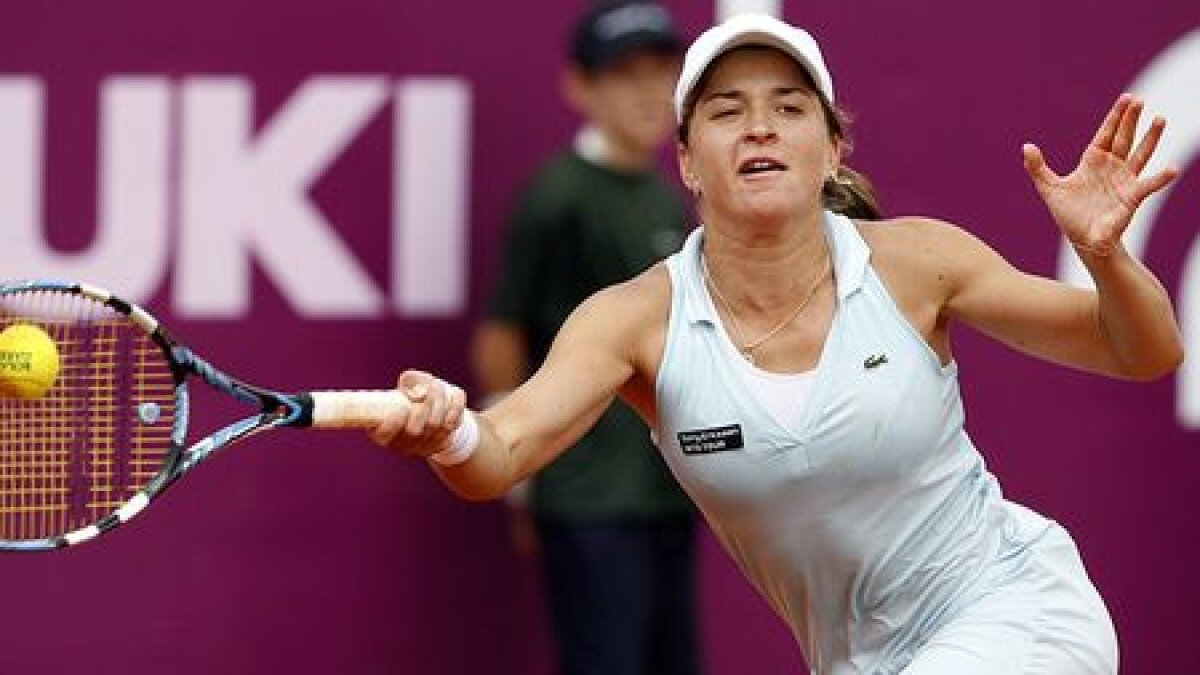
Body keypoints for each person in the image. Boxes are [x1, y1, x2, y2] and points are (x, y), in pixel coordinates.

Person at [372, 13, 1183, 675]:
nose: (759, 126)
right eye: (726, 111)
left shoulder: (919, 261)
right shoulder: (633, 319)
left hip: (1017, 607)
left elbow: (1140, 350)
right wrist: (450, 430)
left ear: (832, 150)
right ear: (687, 161)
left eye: (790, 108)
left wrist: (1105, 256)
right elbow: (501, 450)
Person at [469, 2, 702, 674]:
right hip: (588, 498)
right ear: (579, 87)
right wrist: (516, 475)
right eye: (624, 74)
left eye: (660, 71)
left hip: (669, 490)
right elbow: (501, 334)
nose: (648, 91)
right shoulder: (557, 196)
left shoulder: (666, 198)